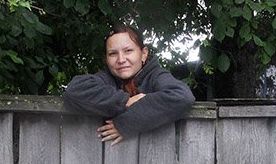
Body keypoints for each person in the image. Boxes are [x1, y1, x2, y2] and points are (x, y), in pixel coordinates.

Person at [62, 25, 195, 146]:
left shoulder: (156, 76)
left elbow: (182, 97)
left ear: (143, 54)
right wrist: (125, 101)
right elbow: (74, 91)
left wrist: (125, 125)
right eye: (113, 53)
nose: (121, 60)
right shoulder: (106, 78)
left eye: (128, 51)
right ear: (106, 59)